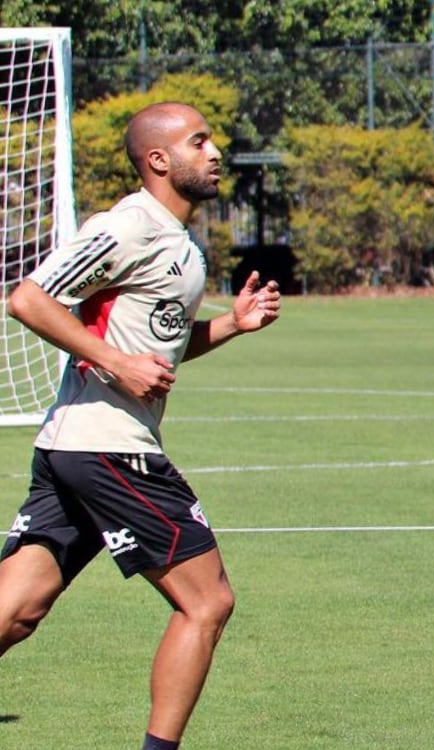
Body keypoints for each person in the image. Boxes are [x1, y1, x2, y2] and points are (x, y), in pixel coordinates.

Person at [0, 102, 282, 750]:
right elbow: (28, 298)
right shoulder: (129, 226)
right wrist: (114, 361)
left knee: (17, 612)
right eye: (198, 141)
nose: (215, 152)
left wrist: (233, 325)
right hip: (109, 449)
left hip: (77, 448)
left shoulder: (178, 245)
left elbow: (163, 346)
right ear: (158, 160)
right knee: (207, 603)